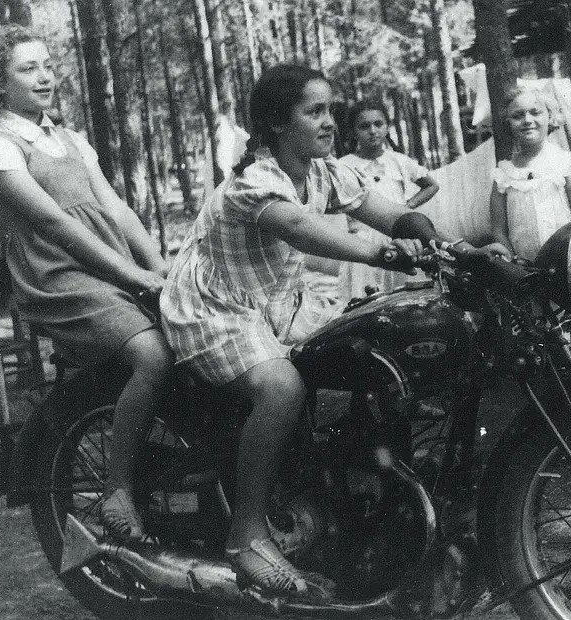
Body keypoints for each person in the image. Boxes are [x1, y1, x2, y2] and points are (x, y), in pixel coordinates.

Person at [160, 64, 505, 599]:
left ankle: (353, 493)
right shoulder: (256, 180)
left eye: (329, 111)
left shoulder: (324, 171)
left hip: (279, 301)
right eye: (314, 111)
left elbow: (389, 212)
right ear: (277, 121)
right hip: (217, 306)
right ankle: (246, 533)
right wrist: (385, 253)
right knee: (282, 388)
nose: (329, 123)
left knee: (375, 349)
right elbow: (302, 230)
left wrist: (448, 246)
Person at [0, 25, 173, 540]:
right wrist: (135, 276)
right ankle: (118, 487)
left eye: (47, 65)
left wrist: (160, 265)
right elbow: (56, 227)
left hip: (111, 268)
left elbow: (116, 209)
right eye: (27, 69)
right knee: (152, 355)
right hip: (60, 279)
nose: (45, 77)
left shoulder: (69, 138)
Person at [338, 100, 439, 299]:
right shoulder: (344, 165)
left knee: (404, 295)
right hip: (363, 241)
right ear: (353, 131)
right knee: (367, 296)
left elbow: (431, 185)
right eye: (364, 126)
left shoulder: (398, 160)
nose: (373, 131)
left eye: (378, 124)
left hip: (399, 238)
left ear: (387, 126)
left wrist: (406, 206)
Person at [488, 86, 571, 262]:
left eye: (535, 112)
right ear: (508, 123)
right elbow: (499, 230)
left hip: (566, 263)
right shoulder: (503, 175)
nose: (527, 120)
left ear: (550, 117)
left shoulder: (568, 165)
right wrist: (514, 261)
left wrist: (567, 258)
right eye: (517, 116)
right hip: (523, 270)